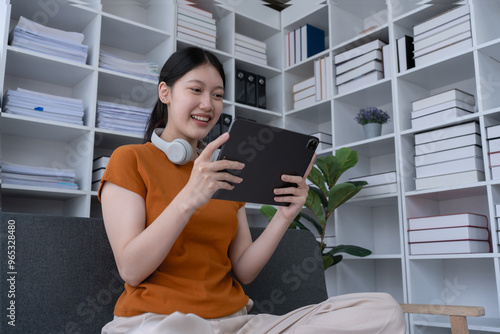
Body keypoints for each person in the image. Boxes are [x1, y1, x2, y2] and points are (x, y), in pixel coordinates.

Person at [98, 46, 406, 334]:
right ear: (165, 92)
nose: (207, 104)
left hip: (237, 323)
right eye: (196, 90)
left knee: (384, 311)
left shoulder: (227, 170)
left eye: (217, 95)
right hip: (162, 323)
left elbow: (244, 271)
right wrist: (188, 200)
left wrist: (285, 216)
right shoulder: (130, 159)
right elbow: (131, 269)